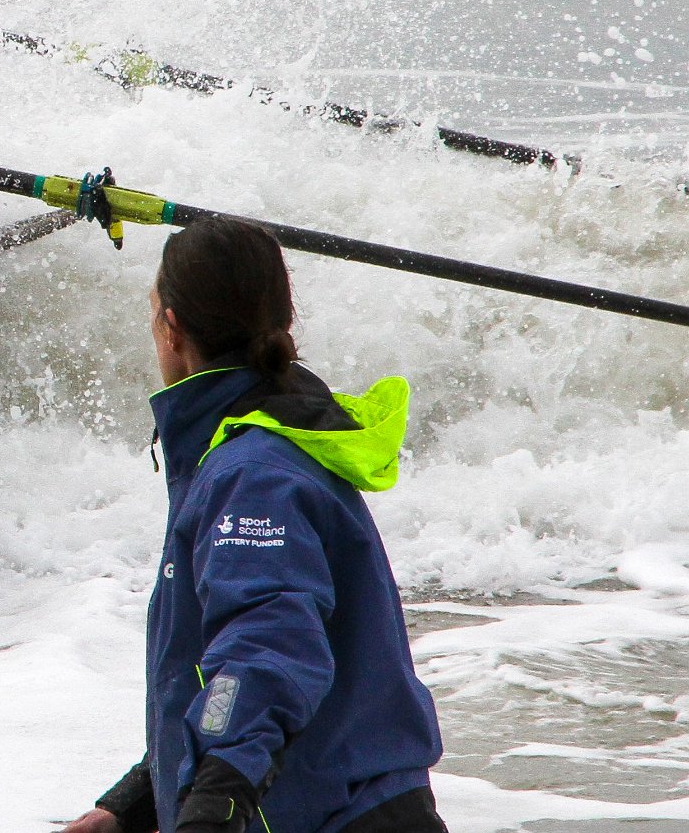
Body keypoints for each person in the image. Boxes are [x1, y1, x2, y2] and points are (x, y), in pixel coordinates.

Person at [67, 218, 447, 833]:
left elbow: (269, 647)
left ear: (171, 329)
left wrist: (214, 804)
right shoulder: (266, 438)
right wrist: (135, 803)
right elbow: (227, 672)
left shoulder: (253, 474)